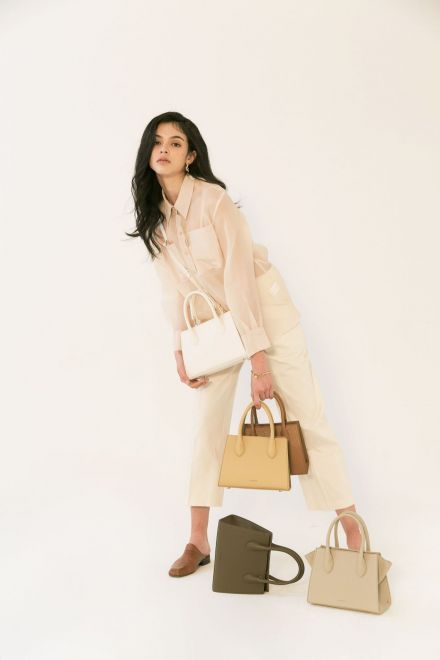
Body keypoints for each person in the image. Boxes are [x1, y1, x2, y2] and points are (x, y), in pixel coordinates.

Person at [128, 111, 362, 578]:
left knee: (308, 417)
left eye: (176, 143)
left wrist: (259, 362)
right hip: (213, 328)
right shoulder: (154, 219)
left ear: (191, 155)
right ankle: (197, 540)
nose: (164, 149)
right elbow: (171, 289)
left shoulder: (214, 201)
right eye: (157, 141)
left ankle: (351, 528)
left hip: (266, 317)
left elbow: (240, 279)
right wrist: (180, 349)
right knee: (206, 427)